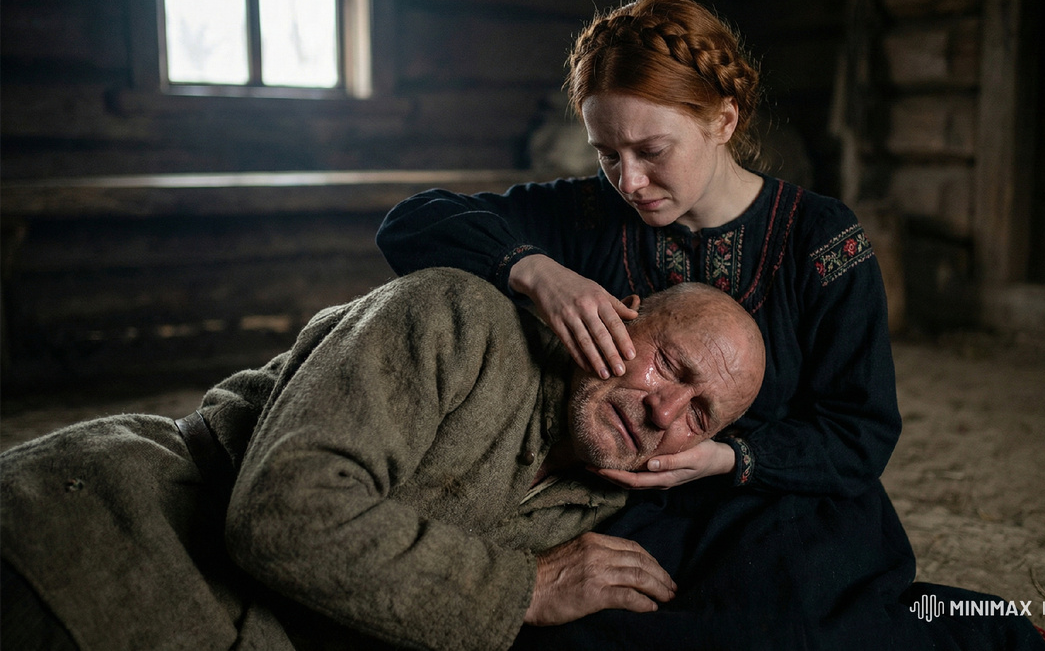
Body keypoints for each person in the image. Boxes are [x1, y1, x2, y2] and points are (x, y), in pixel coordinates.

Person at [376, 0, 1045, 651]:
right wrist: (534, 270)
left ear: (724, 120)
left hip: (779, 500)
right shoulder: (587, 213)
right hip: (629, 506)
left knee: (789, 636)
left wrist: (728, 457)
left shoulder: (821, 240)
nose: (629, 181)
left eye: (652, 151)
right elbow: (411, 223)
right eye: (607, 153)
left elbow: (861, 432)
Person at [0, 268, 766, 651]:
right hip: (96, 539)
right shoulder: (457, 318)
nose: (664, 411)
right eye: (669, 365)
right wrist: (528, 586)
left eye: (698, 415)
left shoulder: (603, 503)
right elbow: (287, 514)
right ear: (622, 316)